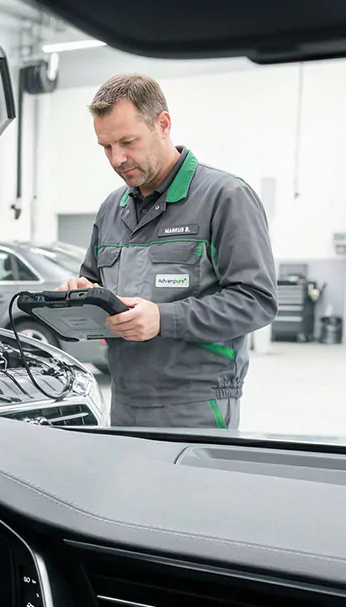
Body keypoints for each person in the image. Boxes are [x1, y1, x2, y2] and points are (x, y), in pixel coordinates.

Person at [58, 74, 277, 429]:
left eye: (128, 142)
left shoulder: (224, 197)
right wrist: (79, 297)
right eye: (106, 147)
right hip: (126, 398)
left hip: (197, 403)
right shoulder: (112, 208)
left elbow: (257, 301)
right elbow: (95, 283)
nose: (117, 159)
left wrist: (163, 319)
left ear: (163, 124)